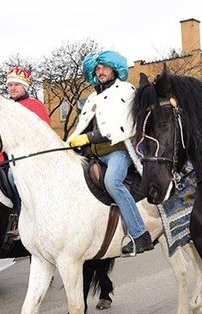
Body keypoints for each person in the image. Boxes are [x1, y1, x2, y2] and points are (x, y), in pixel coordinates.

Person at [68, 50, 153, 255]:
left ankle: (140, 235)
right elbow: (82, 128)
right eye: (97, 69)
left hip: (119, 151)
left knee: (112, 181)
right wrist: (71, 143)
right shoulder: (91, 98)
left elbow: (125, 126)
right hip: (94, 154)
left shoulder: (126, 90)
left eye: (104, 67)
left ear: (114, 69)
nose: (100, 72)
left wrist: (90, 138)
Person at [5, 66, 51, 238]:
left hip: (32, 157)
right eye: (10, 85)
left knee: (12, 176)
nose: (13, 88)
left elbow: (44, 133)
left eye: (17, 84)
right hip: (10, 156)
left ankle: (23, 216)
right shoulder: (6, 107)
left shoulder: (34, 105)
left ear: (25, 87)